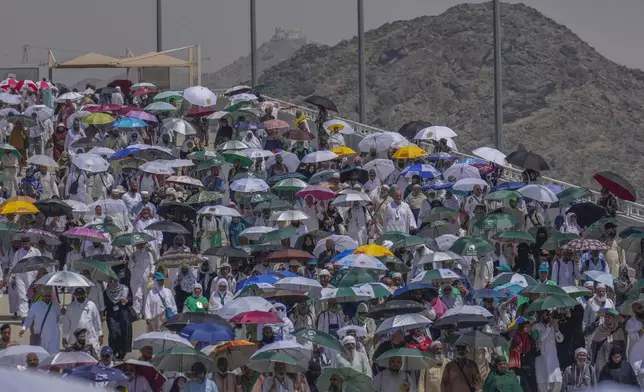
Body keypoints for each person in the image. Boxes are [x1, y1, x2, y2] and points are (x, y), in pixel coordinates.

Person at [62, 288, 103, 356]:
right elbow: (66, 323)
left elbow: (96, 320)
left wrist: (100, 333)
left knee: (92, 358)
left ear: (85, 294)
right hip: (75, 339)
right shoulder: (71, 307)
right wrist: (64, 337)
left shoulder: (91, 305)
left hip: (90, 337)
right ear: (75, 295)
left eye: (81, 295)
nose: (80, 297)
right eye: (78, 295)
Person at [20, 287, 60, 354]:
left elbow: (58, 319)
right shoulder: (35, 306)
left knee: (53, 356)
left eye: (49, 296)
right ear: (42, 295)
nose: (47, 298)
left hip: (54, 335)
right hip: (40, 335)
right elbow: (29, 319)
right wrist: (24, 328)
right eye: (45, 296)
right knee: (41, 355)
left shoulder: (56, 306)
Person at [103, 277, 134, 360]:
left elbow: (131, 301)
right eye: (109, 281)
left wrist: (126, 301)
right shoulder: (106, 292)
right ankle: (113, 351)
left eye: (112, 281)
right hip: (112, 315)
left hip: (123, 314)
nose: (110, 283)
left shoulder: (125, 289)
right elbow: (105, 304)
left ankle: (122, 353)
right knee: (113, 333)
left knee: (123, 333)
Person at [533, 310, 564, 392]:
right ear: (540, 316)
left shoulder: (552, 326)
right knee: (543, 383)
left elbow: (560, 339)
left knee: (558, 381)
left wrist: (556, 329)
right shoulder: (536, 327)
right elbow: (540, 338)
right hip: (542, 358)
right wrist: (550, 327)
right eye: (546, 315)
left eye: (549, 315)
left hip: (553, 358)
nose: (549, 316)